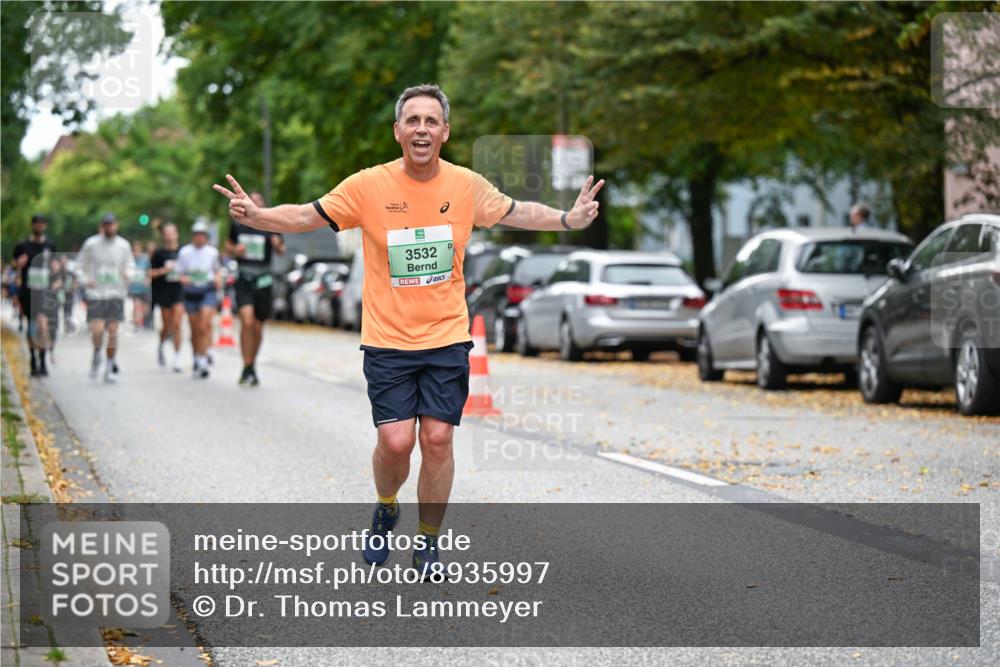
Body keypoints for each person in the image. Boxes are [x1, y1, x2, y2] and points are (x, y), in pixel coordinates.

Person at [213, 83, 603, 575]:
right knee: (396, 443)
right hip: (387, 341)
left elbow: (517, 211)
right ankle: (385, 504)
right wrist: (259, 217)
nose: (422, 129)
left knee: (438, 439)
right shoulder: (367, 186)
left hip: (446, 337)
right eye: (412, 121)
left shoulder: (465, 185)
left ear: (445, 131)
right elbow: (306, 216)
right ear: (398, 132)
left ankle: (429, 540)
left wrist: (568, 218)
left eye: (431, 121)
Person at [224, 191, 285, 386]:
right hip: (244, 278)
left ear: (263, 205)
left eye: (259, 200)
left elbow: (282, 251)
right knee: (247, 321)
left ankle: (251, 365)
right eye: (252, 199)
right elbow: (227, 247)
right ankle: (245, 363)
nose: (255, 202)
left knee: (258, 327)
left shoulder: (271, 224)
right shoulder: (238, 224)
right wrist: (235, 250)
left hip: (264, 280)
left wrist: (277, 245)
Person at [77, 213, 134, 383]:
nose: (109, 228)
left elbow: (130, 265)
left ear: (117, 225)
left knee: (113, 332)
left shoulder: (124, 245)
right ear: (102, 226)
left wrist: (128, 274)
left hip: (116, 293)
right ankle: (96, 353)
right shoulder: (91, 244)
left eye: (112, 224)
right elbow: (80, 265)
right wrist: (86, 280)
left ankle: (109, 366)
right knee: (97, 330)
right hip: (96, 294)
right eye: (106, 225)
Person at [12, 214, 57, 377]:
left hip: (44, 292)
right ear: (32, 225)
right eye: (36, 223)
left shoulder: (50, 245)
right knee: (32, 327)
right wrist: (18, 264)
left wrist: (55, 268)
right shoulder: (22, 246)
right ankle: (33, 359)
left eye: (42, 223)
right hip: (28, 291)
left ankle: (43, 359)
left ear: (45, 226)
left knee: (43, 326)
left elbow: (54, 267)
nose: (39, 226)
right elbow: (14, 266)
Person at [176, 221, 221, 379]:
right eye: (197, 235)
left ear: (206, 237)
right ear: (193, 236)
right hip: (191, 291)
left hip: (207, 290)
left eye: (202, 235)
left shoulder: (212, 252)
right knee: (194, 329)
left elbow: (217, 271)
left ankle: (202, 360)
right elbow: (179, 273)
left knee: (203, 326)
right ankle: (196, 356)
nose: (199, 238)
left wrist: (217, 279)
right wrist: (184, 279)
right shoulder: (184, 252)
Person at [150, 223, 185, 372]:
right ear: (163, 236)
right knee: (167, 325)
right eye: (167, 233)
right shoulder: (159, 254)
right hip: (163, 291)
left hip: (179, 290)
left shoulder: (184, 251)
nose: (170, 235)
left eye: (172, 232)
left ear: (177, 234)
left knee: (177, 324)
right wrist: (164, 270)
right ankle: (162, 344)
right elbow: (150, 273)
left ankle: (177, 358)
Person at [128, 241, 152, 330]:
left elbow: (149, 270)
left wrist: (148, 279)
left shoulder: (145, 259)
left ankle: (141, 319)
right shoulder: (129, 259)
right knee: (136, 305)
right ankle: (136, 322)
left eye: (137, 249)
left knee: (146, 307)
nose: (136, 252)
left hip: (145, 287)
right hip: (134, 288)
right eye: (134, 250)